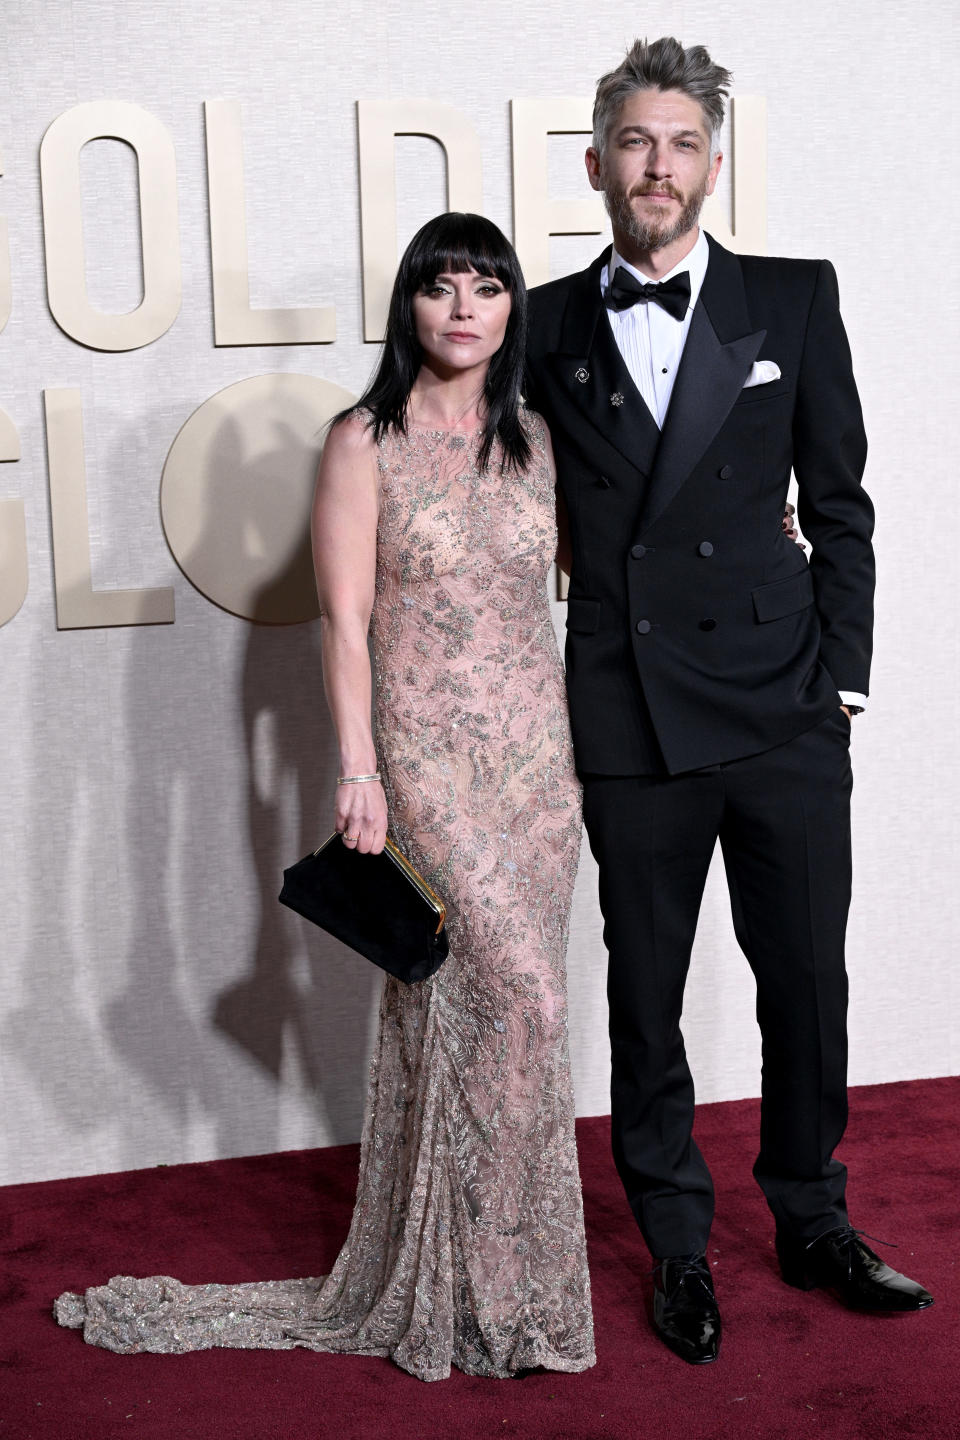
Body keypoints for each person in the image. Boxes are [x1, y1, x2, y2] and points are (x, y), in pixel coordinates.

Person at [54, 212, 595, 1382]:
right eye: (441, 285)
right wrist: (361, 771)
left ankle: (493, 1289)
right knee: (519, 1003)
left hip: (541, 775)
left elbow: (585, 578)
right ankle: (464, 1287)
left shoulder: (539, 441)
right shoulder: (365, 440)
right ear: (408, 307)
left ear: (513, 310)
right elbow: (344, 623)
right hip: (430, 767)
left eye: (487, 286)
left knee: (507, 1034)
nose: (464, 305)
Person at [523, 36, 934, 1366]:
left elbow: (847, 507)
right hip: (631, 712)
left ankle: (814, 1217)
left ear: (714, 160)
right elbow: (501, 514)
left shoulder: (793, 300)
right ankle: (679, 1246)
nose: (658, 166)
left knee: (807, 980)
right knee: (644, 998)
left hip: (784, 708)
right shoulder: (539, 324)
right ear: (597, 163)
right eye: (635, 143)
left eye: (682, 142)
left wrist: (847, 685)